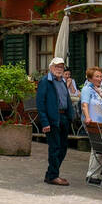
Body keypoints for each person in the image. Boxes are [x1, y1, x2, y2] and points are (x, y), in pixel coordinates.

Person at [36, 57, 73, 186]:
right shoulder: (45, 81)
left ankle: (51, 174)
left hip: (63, 118)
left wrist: (70, 117)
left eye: (61, 67)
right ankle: (53, 176)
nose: (59, 69)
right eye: (56, 67)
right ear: (51, 68)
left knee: (63, 148)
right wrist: (44, 122)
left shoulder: (62, 81)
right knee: (55, 148)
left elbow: (66, 99)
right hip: (52, 119)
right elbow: (40, 103)